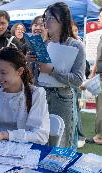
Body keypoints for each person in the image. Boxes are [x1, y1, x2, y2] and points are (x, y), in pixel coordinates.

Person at [0, 47, 50, 146]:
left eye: (3, 73)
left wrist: (5, 135)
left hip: (21, 149)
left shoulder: (36, 94)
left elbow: (40, 135)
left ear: (19, 71)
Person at [38, 2, 86, 148]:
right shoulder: (43, 44)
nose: (47, 22)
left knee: (62, 144)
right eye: (45, 18)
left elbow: (78, 80)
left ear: (63, 20)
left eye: (51, 18)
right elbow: (36, 75)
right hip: (41, 97)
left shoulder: (76, 45)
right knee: (42, 139)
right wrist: (29, 62)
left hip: (63, 98)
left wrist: (52, 71)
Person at [86, 8, 102, 145]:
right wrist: (92, 73)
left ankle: (100, 137)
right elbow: (98, 58)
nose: (98, 19)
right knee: (99, 105)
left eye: (101, 16)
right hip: (99, 76)